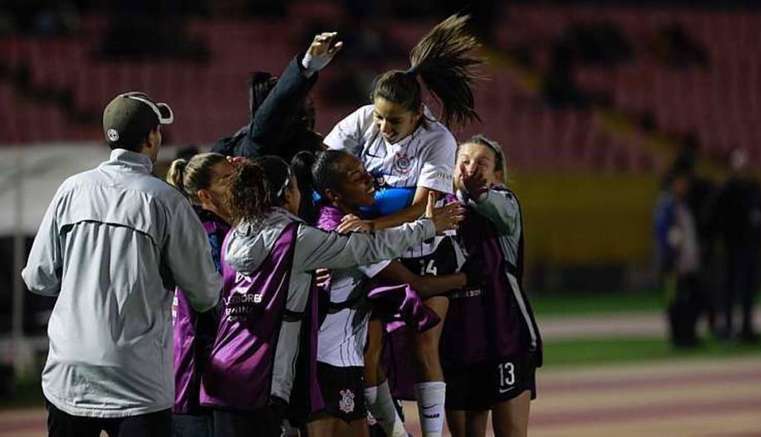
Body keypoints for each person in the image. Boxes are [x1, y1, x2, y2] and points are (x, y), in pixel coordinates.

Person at [199, 156, 464, 437]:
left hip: (224, 371)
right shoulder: (297, 238)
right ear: (289, 192)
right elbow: (365, 249)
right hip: (268, 375)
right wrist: (427, 227)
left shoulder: (234, 237)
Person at [21, 92, 222, 437]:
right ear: (151, 137)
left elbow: (38, 278)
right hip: (137, 380)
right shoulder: (166, 201)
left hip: (69, 374)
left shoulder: (72, 189)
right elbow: (204, 294)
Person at [324, 14, 482, 437]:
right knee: (369, 351)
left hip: (427, 246)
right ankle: (396, 433)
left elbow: (423, 208)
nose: (383, 128)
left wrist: (371, 225)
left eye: (394, 121)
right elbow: (325, 166)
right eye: (379, 117)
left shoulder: (439, 140)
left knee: (424, 344)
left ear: (418, 116)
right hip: (378, 253)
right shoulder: (362, 121)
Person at [307, 150, 478, 437]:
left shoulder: (333, 221)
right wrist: (467, 277)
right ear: (333, 194)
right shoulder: (346, 233)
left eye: (364, 169)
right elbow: (414, 282)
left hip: (335, 361)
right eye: (355, 176)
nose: (368, 178)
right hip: (331, 364)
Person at [443, 135, 542, 437]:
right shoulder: (438, 211)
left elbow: (496, 207)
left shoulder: (505, 202)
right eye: (465, 161)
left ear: (497, 175)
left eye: (481, 163)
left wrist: (480, 194)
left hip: (505, 337)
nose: (471, 168)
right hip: (458, 339)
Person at [166, 152, 240, 437]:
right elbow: (212, 305)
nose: (236, 183)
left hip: (210, 375)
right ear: (205, 196)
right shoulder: (207, 236)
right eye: (226, 179)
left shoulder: (221, 229)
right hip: (200, 377)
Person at [211, 32, 343, 162]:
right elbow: (273, 113)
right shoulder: (257, 142)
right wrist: (306, 67)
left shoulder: (311, 144)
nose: (308, 104)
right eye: (296, 99)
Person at [715, 149, 761, 342]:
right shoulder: (727, 189)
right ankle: (727, 326)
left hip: (750, 247)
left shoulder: (755, 188)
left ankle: (747, 327)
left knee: (749, 289)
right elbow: (719, 217)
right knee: (729, 289)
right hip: (732, 248)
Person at [654, 169, 703, 347]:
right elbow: (663, 233)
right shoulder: (667, 205)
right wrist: (671, 255)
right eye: (680, 183)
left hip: (688, 261)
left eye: (685, 183)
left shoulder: (686, 204)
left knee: (692, 299)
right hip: (673, 262)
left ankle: (688, 333)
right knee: (675, 300)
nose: (683, 186)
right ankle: (678, 337)